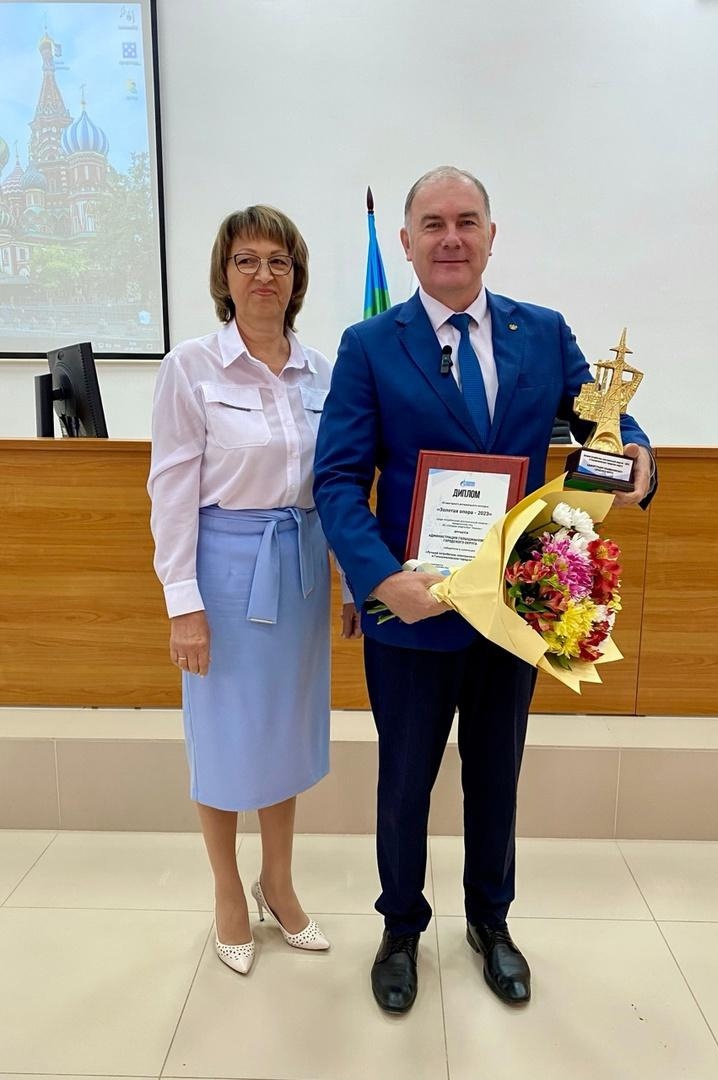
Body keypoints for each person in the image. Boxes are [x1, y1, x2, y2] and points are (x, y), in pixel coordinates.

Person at [313, 166, 656, 1012]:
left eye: (467, 221)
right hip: (413, 609)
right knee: (405, 782)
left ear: (492, 236)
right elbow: (337, 480)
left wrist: (637, 457)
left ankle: (490, 923)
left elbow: (600, 419)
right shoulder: (369, 345)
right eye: (433, 224)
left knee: (496, 775)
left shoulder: (542, 332)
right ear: (407, 243)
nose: (451, 238)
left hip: (514, 609)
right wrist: (382, 578)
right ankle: (401, 927)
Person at [148, 205, 356, 974]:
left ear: (296, 277)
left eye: (279, 261)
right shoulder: (191, 367)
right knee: (225, 737)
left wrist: (348, 581)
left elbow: (336, 486)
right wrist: (184, 604)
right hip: (226, 575)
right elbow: (171, 491)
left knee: (284, 733)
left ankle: (279, 881)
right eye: (247, 260)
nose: (264, 274)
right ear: (224, 275)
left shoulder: (324, 372)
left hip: (300, 568)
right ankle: (227, 890)